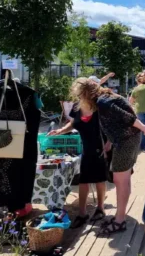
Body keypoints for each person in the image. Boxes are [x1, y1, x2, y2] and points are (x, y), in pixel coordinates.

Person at [71, 78, 145, 234]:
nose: (80, 101)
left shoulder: (103, 102)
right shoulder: (105, 98)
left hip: (126, 140)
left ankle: (120, 221)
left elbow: (128, 118)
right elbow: (114, 121)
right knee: (123, 178)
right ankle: (119, 215)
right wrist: (109, 141)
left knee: (119, 179)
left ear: (87, 95)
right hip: (125, 139)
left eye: (80, 97)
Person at [48, 98, 110, 228]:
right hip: (86, 149)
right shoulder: (77, 107)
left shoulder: (99, 106)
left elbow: (111, 125)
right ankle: (82, 213)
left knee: (99, 179)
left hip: (100, 148)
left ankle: (100, 209)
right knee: (84, 180)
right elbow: (72, 123)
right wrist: (60, 131)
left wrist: (109, 142)